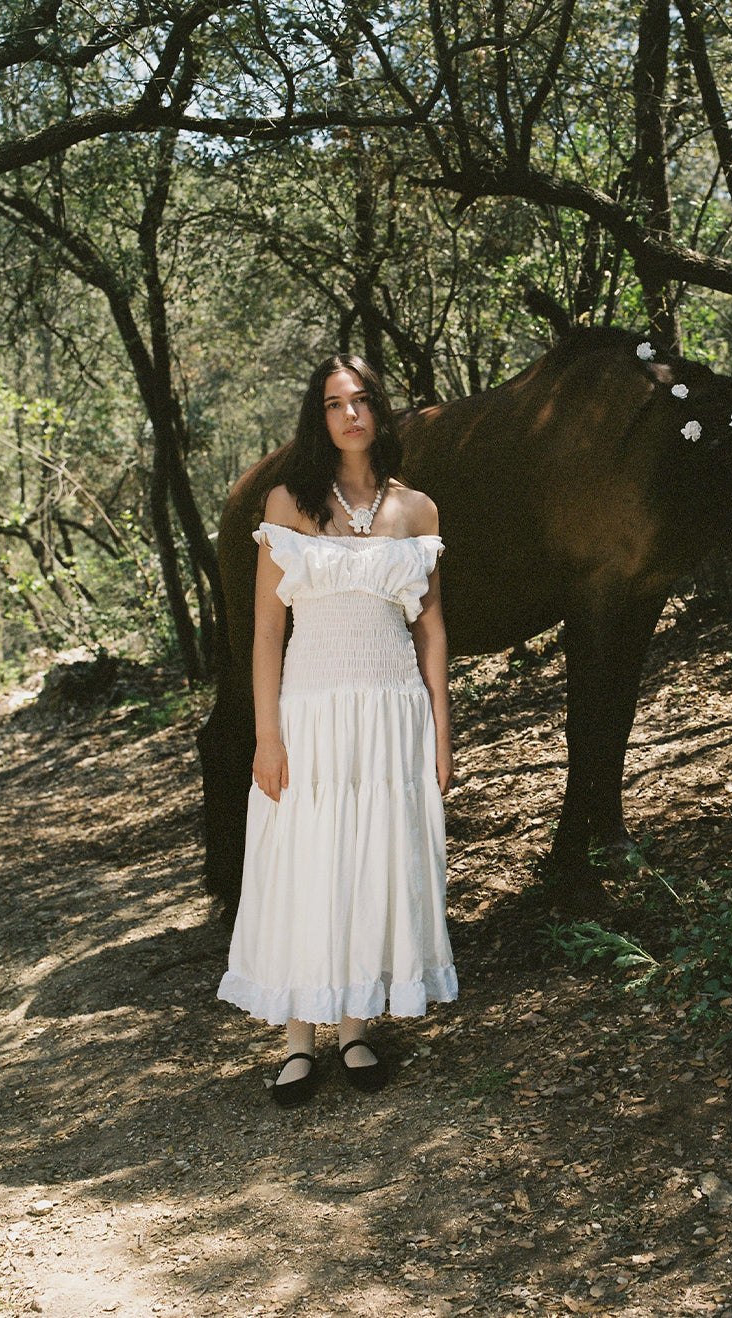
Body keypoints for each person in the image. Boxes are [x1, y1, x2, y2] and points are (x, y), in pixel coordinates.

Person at [217, 354, 456, 1106]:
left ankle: (353, 1027)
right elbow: (264, 634)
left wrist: (441, 731)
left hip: (390, 713)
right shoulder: (288, 502)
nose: (349, 413)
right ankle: (297, 1040)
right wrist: (267, 735)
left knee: (368, 858)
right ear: (317, 419)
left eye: (360, 400)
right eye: (332, 403)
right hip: (311, 709)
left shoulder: (416, 510)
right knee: (304, 858)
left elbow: (433, 633)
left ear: (379, 410)